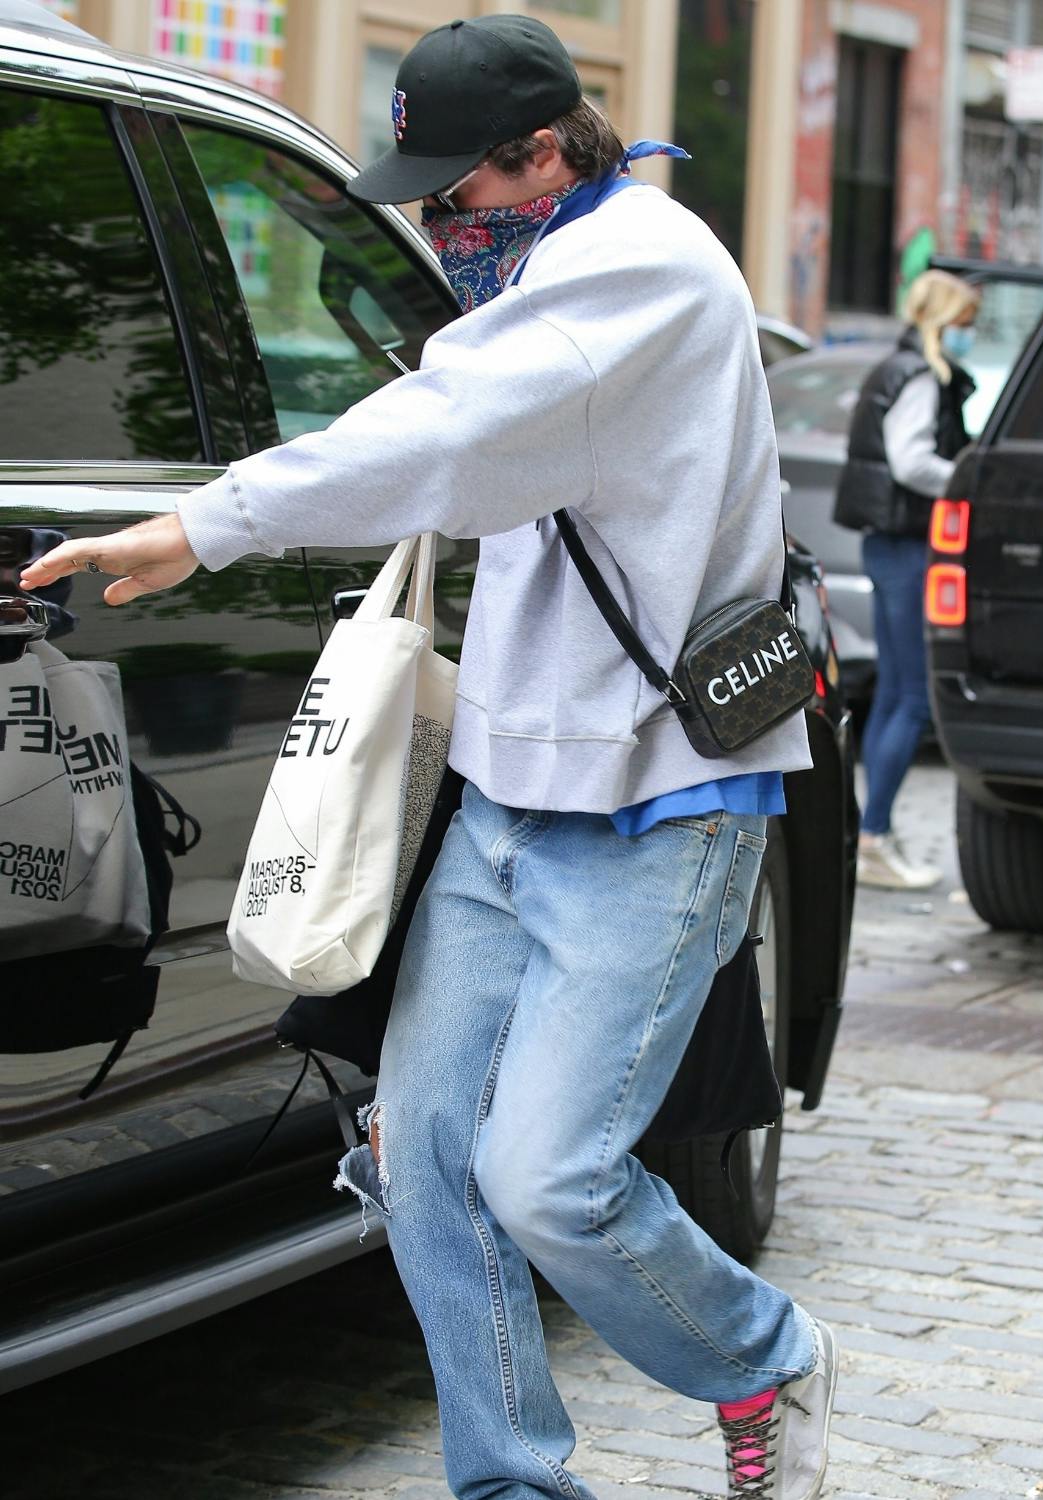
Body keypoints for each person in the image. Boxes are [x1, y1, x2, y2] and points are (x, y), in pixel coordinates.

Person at [21, 16, 837, 1500]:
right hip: (515, 799)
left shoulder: (637, 270)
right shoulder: (537, 270)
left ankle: (761, 1356)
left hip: (660, 803)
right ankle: (512, 1480)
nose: (435, 226)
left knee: (551, 1181)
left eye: (452, 197)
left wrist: (200, 524)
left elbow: (441, 432)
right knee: (421, 1157)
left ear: (543, 154)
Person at [833, 269, 980, 890]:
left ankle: (874, 829)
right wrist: (969, 480)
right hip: (908, 546)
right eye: (968, 322)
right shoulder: (920, 375)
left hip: (888, 544)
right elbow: (911, 460)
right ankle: (873, 835)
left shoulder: (894, 366)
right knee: (911, 696)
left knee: (896, 692)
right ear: (945, 321)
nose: (971, 334)